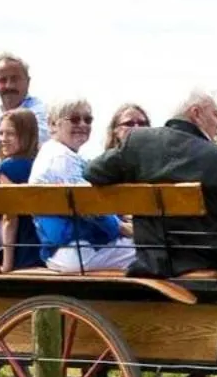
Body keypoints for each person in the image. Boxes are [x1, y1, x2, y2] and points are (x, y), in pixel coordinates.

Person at [86, 92, 217, 297]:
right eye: (215, 115)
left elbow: (93, 172)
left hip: (152, 262)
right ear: (196, 113)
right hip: (211, 264)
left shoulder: (139, 141)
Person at [28, 98, 137, 272]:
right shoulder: (61, 158)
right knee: (155, 249)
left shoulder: (53, 152)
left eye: (88, 120)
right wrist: (126, 228)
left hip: (64, 249)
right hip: (76, 250)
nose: (83, 124)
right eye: (74, 119)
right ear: (53, 124)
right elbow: (91, 207)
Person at [0, 108, 45, 271]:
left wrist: (6, 266)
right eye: (1, 133)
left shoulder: (8, 168)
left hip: (24, 251)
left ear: (26, 135)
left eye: (11, 134)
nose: (3, 139)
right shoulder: (41, 163)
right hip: (46, 247)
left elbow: (10, 218)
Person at [0, 53, 48, 146]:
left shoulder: (40, 112)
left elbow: (30, 144)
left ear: (28, 82)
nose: (9, 85)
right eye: (2, 80)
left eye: (15, 79)